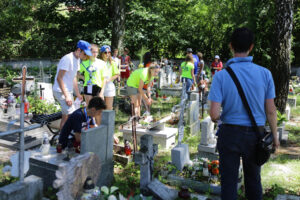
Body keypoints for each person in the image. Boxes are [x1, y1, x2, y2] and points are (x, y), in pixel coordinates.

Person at [208, 27, 279, 200]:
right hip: (256, 135)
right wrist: (275, 137)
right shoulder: (265, 74)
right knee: (254, 181)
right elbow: (270, 110)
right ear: (252, 47)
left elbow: (214, 114)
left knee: (229, 183)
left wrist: (227, 113)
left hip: (229, 134)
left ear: (231, 46)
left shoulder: (220, 76)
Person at [53, 40, 90, 130]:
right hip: (60, 90)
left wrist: (77, 93)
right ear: (79, 50)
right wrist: (67, 96)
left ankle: (62, 139)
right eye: (85, 54)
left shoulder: (77, 59)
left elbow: (74, 77)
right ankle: (65, 138)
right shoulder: (67, 59)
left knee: (66, 117)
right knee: (71, 115)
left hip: (67, 91)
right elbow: (59, 78)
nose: (86, 57)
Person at [79, 44, 107, 125]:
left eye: (96, 52)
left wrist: (102, 92)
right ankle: (92, 126)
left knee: (99, 108)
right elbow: (77, 73)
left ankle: (100, 126)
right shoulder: (84, 63)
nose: (95, 54)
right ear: (89, 52)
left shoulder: (102, 63)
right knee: (90, 108)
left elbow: (104, 78)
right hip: (88, 86)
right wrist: (84, 78)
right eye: (93, 52)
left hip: (98, 87)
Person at [100, 45, 120, 110]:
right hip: (99, 86)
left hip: (109, 86)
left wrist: (109, 80)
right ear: (101, 53)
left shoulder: (112, 63)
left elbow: (117, 74)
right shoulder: (98, 62)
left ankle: (108, 120)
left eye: (109, 52)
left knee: (108, 108)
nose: (107, 54)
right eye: (105, 52)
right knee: (100, 107)